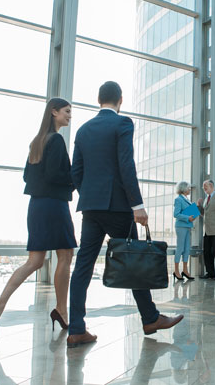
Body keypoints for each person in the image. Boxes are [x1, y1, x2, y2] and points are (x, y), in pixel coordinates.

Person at [66, 81, 183, 348]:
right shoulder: (122, 124)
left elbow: (76, 173)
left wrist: (92, 195)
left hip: (91, 208)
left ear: (98, 99)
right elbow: (126, 165)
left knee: (83, 266)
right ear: (120, 100)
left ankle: (76, 329)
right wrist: (137, 205)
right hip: (118, 207)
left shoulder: (83, 130)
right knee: (133, 260)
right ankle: (150, 318)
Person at [0, 98, 76, 335]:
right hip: (54, 205)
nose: (69, 115)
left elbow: (26, 177)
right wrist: (76, 178)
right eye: (66, 111)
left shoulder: (37, 142)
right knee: (65, 255)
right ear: (53, 112)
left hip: (37, 206)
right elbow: (55, 174)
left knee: (34, 261)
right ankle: (62, 310)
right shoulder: (57, 140)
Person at [173, 181, 196, 281]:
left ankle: (185, 270)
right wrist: (188, 218)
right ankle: (176, 271)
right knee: (180, 248)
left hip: (187, 226)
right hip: (181, 226)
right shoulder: (178, 199)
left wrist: (192, 216)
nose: (190, 190)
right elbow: (176, 214)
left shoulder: (187, 199)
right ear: (183, 188)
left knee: (187, 248)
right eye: (188, 188)